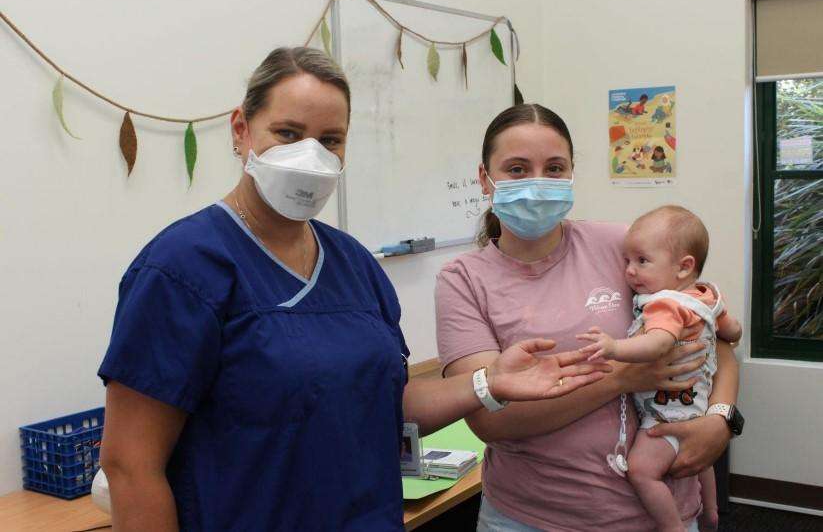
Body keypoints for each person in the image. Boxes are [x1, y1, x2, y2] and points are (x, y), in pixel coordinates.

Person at [96, 48, 610, 532]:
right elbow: (129, 466)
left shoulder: (353, 264)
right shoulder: (184, 266)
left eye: (330, 140)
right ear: (241, 130)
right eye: (288, 133)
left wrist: (489, 383)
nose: (311, 156)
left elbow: (390, 401)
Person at [435, 103, 741, 531]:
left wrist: (721, 419)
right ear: (485, 178)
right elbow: (491, 420)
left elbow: (714, 336)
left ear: (573, 173)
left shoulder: (622, 247)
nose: (539, 183)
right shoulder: (463, 280)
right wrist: (619, 378)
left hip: (660, 512)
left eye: (555, 167)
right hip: (531, 517)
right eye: (518, 169)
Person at [577, 206, 743, 532]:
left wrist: (613, 348)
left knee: (641, 471)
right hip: (698, 404)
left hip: (668, 411)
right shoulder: (708, 296)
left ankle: (672, 526)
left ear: (683, 267)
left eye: (642, 261)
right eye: (626, 261)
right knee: (701, 459)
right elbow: (733, 330)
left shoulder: (665, 304)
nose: (629, 271)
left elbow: (656, 345)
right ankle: (710, 510)